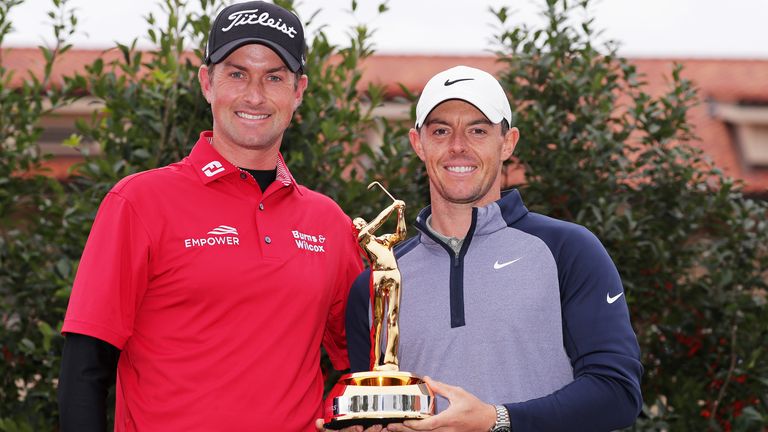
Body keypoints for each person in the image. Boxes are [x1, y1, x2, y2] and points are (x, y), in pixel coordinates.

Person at [57, 2, 363, 431]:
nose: (254, 95)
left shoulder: (329, 223)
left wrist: (333, 421)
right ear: (206, 82)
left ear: (298, 91)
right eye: (237, 74)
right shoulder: (139, 201)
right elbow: (86, 363)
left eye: (274, 77)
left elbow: (367, 361)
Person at [342, 65, 643, 432]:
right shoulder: (377, 283)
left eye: (478, 130)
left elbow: (617, 393)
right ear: (418, 143)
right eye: (440, 130)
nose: (458, 146)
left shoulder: (569, 250)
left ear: (508, 142)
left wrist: (497, 420)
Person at [352, 195, 407, 371]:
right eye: (357, 225)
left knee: (393, 317)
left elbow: (401, 234)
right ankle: (375, 362)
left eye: (361, 222)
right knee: (377, 320)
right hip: (378, 276)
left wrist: (400, 213)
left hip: (393, 274)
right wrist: (392, 207)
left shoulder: (383, 240)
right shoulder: (363, 238)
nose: (360, 225)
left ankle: (391, 360)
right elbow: (375, 223)